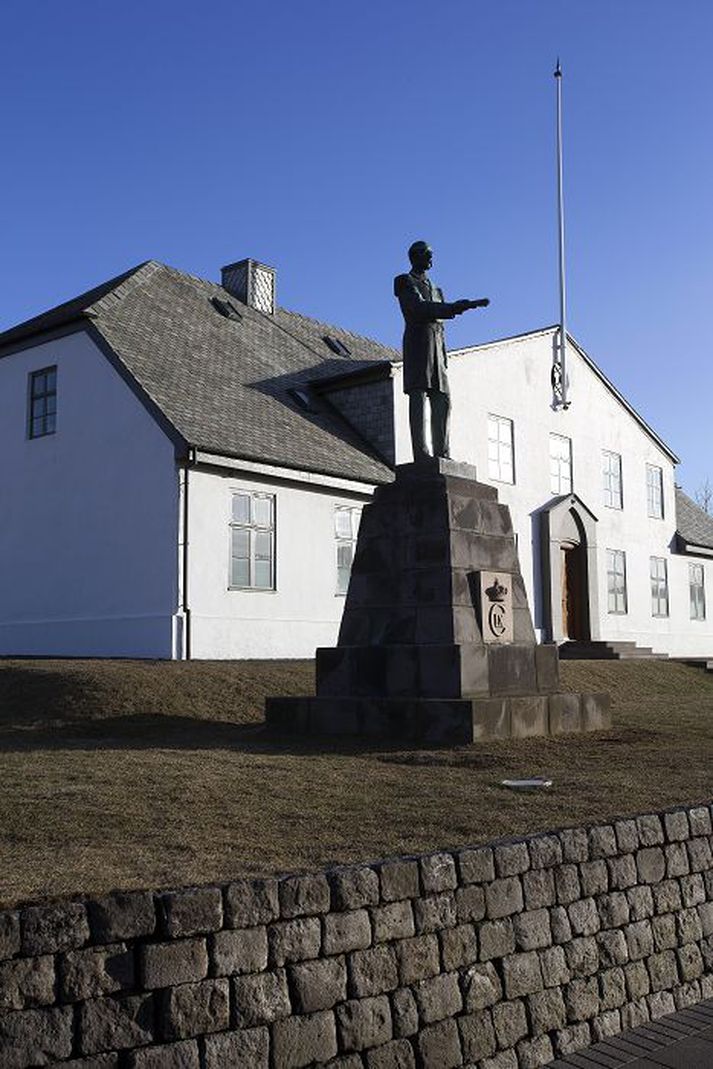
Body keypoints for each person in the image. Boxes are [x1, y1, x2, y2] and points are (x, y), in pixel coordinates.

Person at [394, 240, 489, 460]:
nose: (431, 259)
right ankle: (421, 454)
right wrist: (455, 307)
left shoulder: (437, 290)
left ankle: (443, 453)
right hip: (418, 344)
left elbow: (441, 326)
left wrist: (444, 355)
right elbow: (417, 309)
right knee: (418, 397)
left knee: (443, 399)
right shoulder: (404, 281)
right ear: (414, 256)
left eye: (431, 255)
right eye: (427, 255)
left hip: (437, 348)